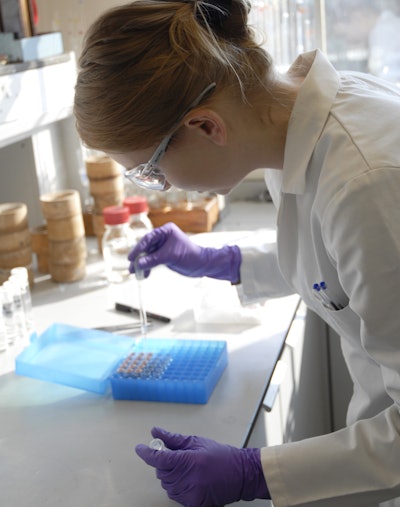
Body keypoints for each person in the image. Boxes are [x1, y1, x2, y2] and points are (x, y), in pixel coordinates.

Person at [74, 1, 400, 506]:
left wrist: (255, 472)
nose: (160, 189)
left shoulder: (365, 181)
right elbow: (336, 261)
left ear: (206, 127)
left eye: (150, 170)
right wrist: (226, 261)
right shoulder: (294, 129)